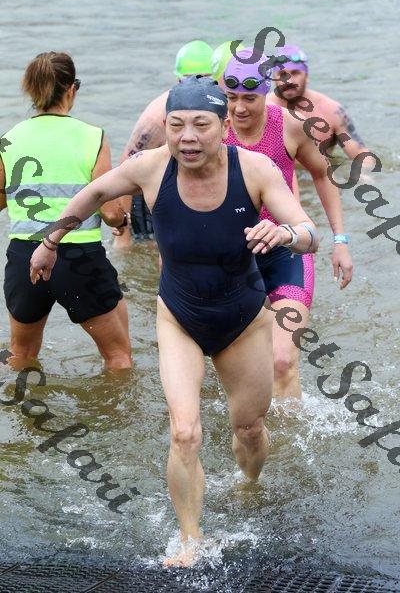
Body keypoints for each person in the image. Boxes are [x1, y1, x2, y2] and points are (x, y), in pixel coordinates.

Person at [30, 76, 319, 566]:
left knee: (249, 427)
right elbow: (92, 194)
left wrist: (285, 233)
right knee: (184, 432)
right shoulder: (151, 167)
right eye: (177, 125)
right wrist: (49, 242)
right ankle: (190, 539)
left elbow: (310, 234)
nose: (188, 137)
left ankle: (249, 484)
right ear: (164, 127)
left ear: (223, 127)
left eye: (201, 125)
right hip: (180, 317)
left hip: (244, 319)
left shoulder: (254, 168)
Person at [223, 48, 353, 399]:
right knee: (240, 363)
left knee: (282, 361)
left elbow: (323, 175)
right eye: (231, 97)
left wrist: (340, 240)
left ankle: (290, 432)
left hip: (287, 250)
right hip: (232, 258)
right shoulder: (214, 128)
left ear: (266, 92)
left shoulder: (291, 126)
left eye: (249, 98)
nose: (238, 108)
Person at [0, 51, 132, 370]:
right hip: (78, 258)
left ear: (31, 89)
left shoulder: (9, 139)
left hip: (24, 258)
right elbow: (110, 212)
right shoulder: (93, 136)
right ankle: (115, 405)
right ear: (71, 89)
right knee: (118, 357)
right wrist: (122, 221)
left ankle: (23, 403)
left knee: (21, 354)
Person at [114, 40, 213, 249]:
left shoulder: (219, 107)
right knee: (149, 250)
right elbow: (126, 164)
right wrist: (123, 231)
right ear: (177, 80)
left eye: (203, 79)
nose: (195, 87)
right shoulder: (158, 114)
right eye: (188, 79)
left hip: (188, 188)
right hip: (149, 192)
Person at [266, 44, 373, 167]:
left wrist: (364, 174)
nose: (288, 81)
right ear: (274, 77)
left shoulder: (331, 111)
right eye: (282, 74)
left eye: (295, 73)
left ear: (306, 76)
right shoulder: (262, 109)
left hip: (316, 175)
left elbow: (360, 154)